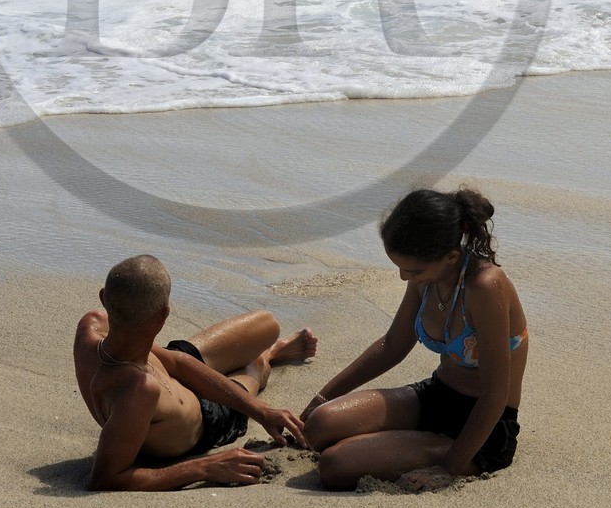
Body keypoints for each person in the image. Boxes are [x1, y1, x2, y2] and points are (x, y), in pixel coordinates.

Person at [302, 186, 527, 491]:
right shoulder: (427, 277)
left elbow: (495, 395)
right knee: (318, 425)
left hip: (484, 425)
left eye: (412, 270)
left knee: (334, 464)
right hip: (435, 395)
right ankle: (397, 444)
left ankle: (425, 450)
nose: (404, 277)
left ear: (450, 256)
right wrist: (319, 400)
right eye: (400, 268)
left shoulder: (485, 286)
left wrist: (448, 469)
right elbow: (391, 346)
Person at [75, 253, 317, 491]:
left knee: (266, 324)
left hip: (163, 359)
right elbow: (106, 478)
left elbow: (177, 363)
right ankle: (271, 354)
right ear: (163, 315)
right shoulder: (137, 390)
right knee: (257, 364)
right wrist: (205, 467)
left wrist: (262, 411)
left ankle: (269, 346)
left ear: (103, 298)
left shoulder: (93, 324)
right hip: (208, 419)